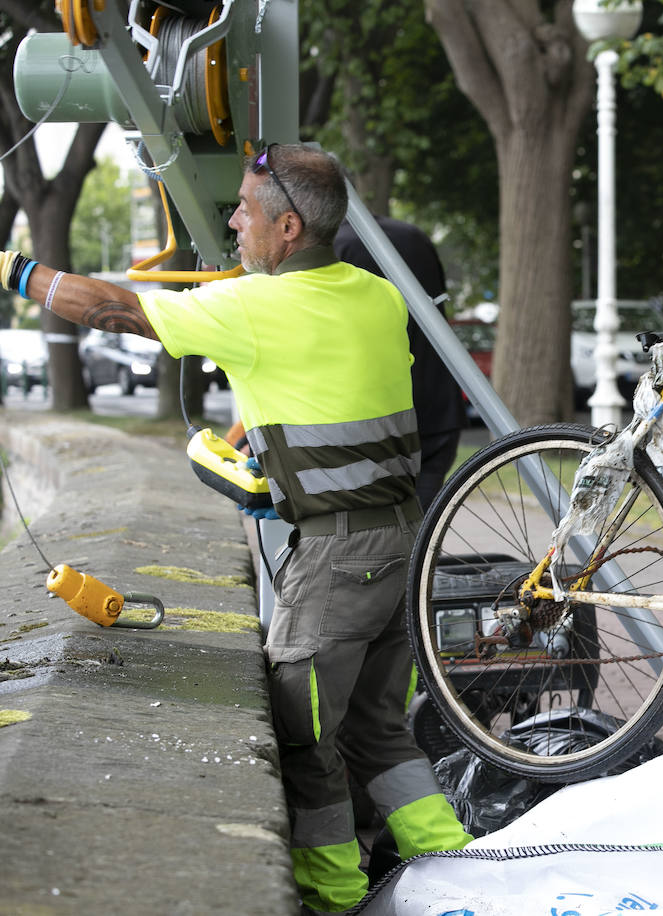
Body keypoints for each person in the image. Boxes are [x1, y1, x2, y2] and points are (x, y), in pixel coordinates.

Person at [1, 143, 472, 913]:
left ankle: (335, 897)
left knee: (305, 741)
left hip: (336, 559)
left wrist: (15, 271)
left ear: (289, 227)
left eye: (245, 211)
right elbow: (322, 396)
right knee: (382, 732)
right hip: (401, 542)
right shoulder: (375, 295)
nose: (232, 221)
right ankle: (461, 873)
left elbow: (112, 307)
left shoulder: (255, 310)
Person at [334, 215, 464, 511]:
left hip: (373, 413)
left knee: (376, 534)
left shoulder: (335, 248)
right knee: (422, 531)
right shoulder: (413, 235)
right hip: (436, 403)